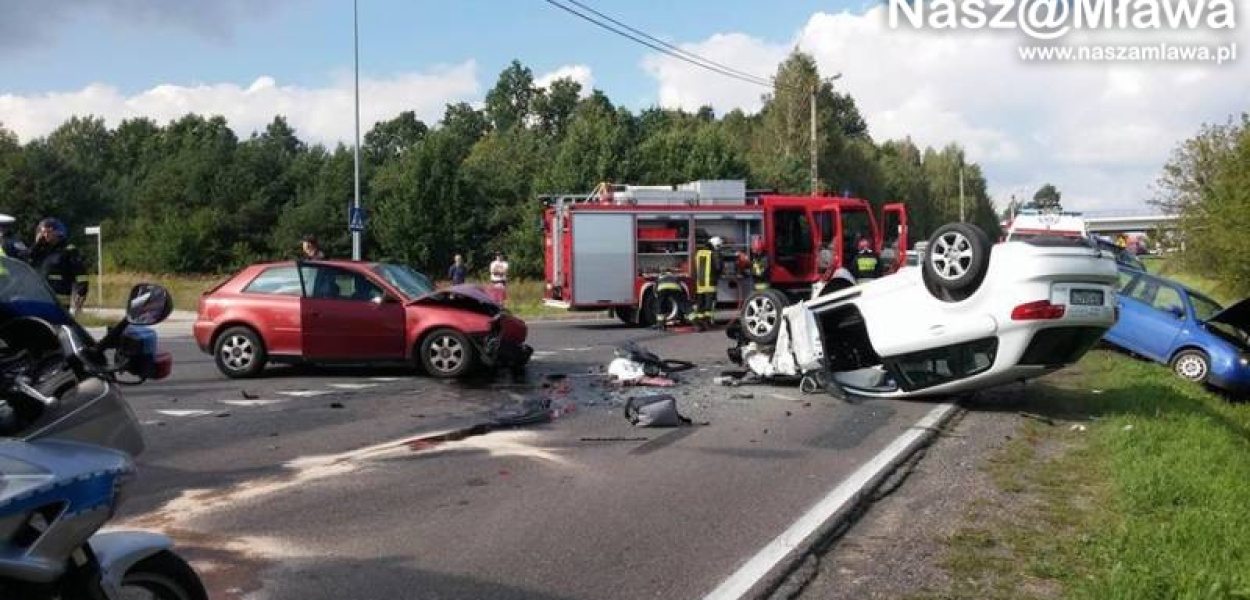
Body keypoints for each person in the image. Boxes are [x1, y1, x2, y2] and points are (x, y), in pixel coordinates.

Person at [29, 218, 88, 314]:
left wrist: (81, 291)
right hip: (41, 296)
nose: (46, 235)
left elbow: (80, 273)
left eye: (49, 232)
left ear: (58, 233)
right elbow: (27, 260)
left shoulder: (69, 250)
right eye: (43, 232)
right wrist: (37, 244)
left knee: (57, 325)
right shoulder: (40, 250)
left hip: (60, 297)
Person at [688, 236, 723, 330]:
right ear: (715, 245)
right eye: (718, 246)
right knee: (709, 305)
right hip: (710, 284)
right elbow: (718, 267)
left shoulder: (698, 253)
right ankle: (708, 323)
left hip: (700, 284)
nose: (718, 248)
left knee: (701, 305)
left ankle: (699, 324)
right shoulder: (714, 253)